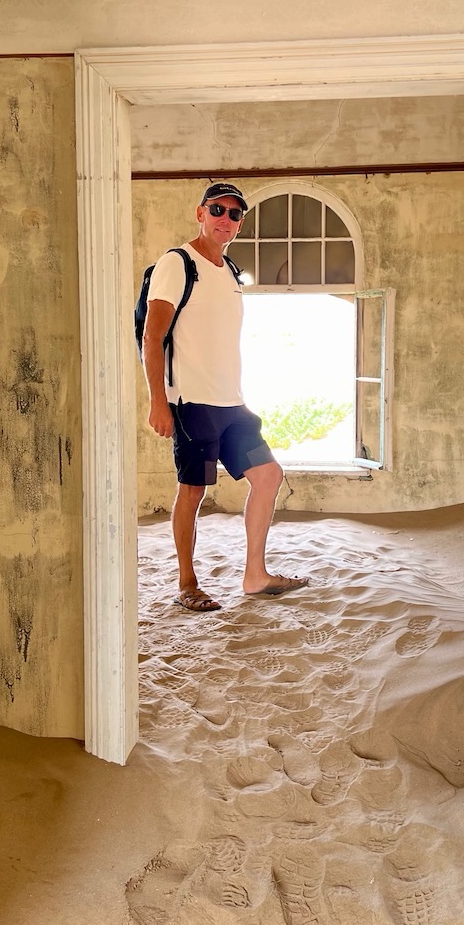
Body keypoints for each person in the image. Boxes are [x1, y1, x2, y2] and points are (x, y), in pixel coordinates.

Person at [142, 182, 310, 612]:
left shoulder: (230, 271)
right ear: (200, 213)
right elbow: (152, 336)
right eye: (217, 209)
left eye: (235, 214)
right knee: (193, 491)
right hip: (193, 403)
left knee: (268, 476)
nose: (226, 219)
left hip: (233, 405)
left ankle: (255, 575)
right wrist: (158, 401)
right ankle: (187, 583)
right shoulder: (178, 263)